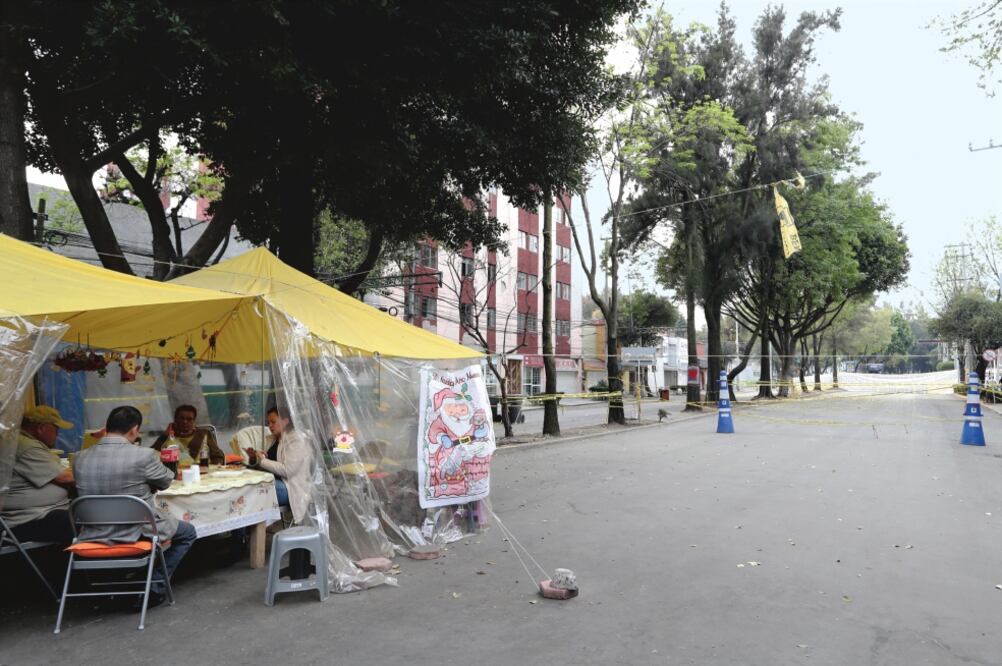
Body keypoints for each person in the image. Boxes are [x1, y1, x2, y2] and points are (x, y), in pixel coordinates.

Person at [73, 406, 196, 608]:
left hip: (92, 531)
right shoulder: (144, 455)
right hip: (136, 530)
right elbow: (166, 480)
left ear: (108, 427)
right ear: (134, 429)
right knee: (188, 532)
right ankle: (153, 588)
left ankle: (118, 585)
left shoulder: (79, 458)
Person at [1, 406, 76, 544]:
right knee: (83, 519)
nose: (58, 434)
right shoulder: (26, 447)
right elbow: (65, 478)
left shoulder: (24, 442)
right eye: (56, 429)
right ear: (41, 428)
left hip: (39, 514)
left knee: (79, 515)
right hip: (27, 520)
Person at [244, 407, 312, 525]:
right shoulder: (273, 439)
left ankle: (247, 534)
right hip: (273, 481)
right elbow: (267, 465)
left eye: (273, 422)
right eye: (268, 422)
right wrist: (254, 458)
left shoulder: (297, 440)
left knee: (251, 491)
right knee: (245, 488)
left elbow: (287, 470)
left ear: (285, 421)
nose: (269, 425)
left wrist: (262, 460)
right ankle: (245, 534)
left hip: (290, 488)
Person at [151, 404, 225, 465]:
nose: (185, 422)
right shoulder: (168, 437)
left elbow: (218, 456)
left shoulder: (204, 434)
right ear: (175, 419)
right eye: (181, 418)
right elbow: (151, 456)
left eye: (189, 419)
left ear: (194, 421)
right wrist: (164, 436)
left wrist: (215, 467)